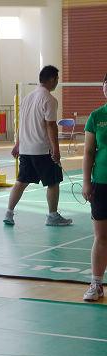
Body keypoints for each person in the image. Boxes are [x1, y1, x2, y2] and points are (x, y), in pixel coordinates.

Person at [3, 65, 72, 226]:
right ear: (52, 79)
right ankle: (52, 216)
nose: (57, 82)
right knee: (53, 182)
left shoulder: (27, 98)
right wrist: (56, 149)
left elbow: (21, 123)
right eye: (57, 79)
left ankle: (8, 213)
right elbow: (51, 126)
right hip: (42, 150)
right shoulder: (49, 99)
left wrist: (18, 144)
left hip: (26, 149)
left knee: (21, 182)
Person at [82, 74, 107, 301]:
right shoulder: (96, 117)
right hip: (101, 183)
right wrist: (87, 181)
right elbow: (89, 152)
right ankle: (97, 284)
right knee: (101, 236)